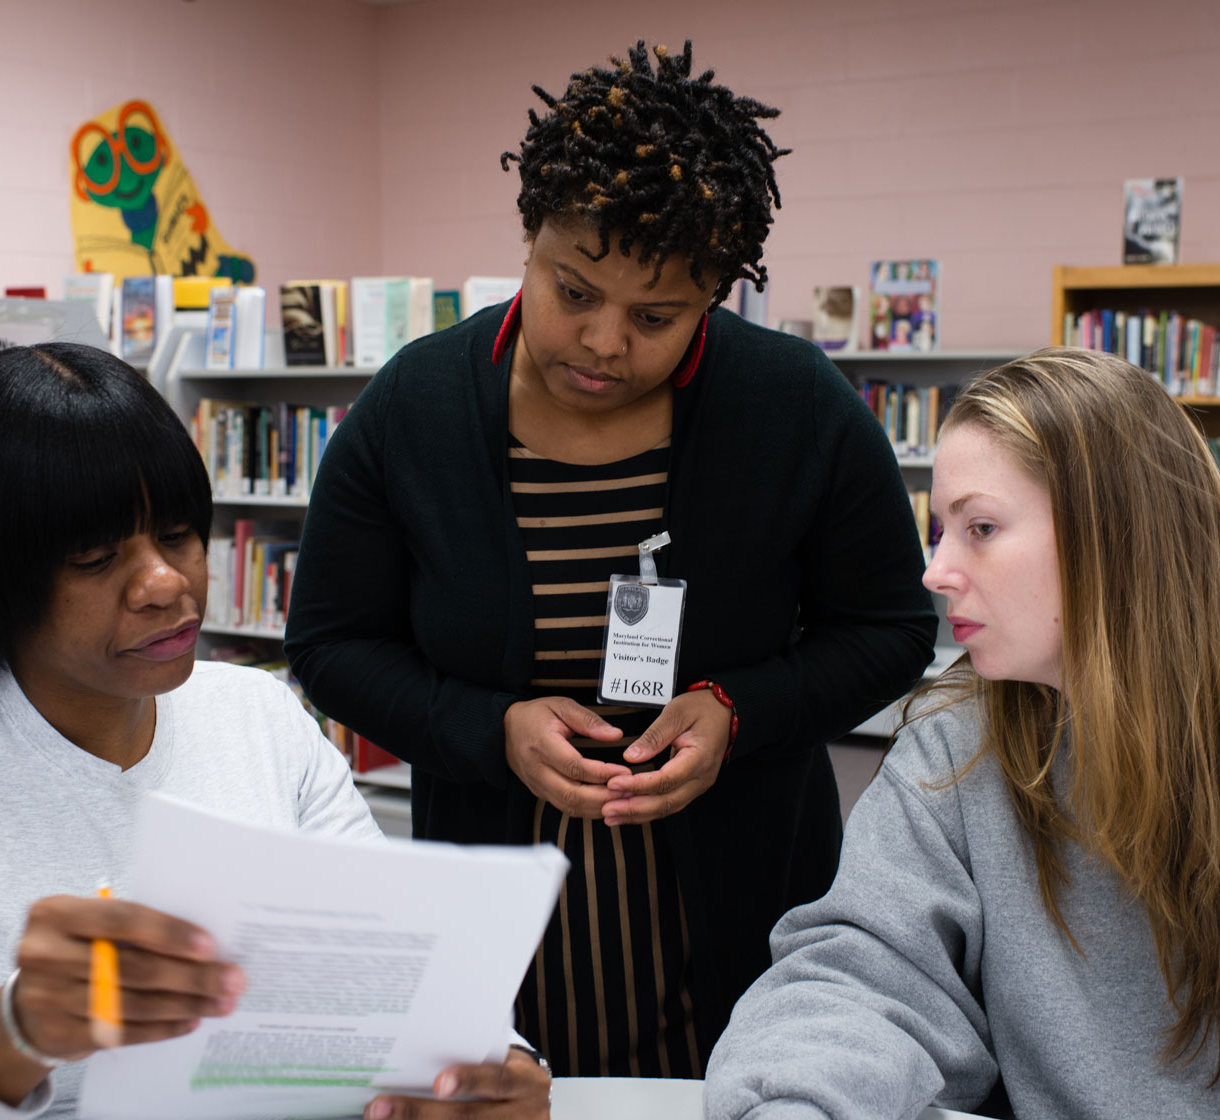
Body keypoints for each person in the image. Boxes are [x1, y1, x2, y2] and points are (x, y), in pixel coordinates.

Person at [284, 41, 936, 1079]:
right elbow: (328, 641)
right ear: (529, 239)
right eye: (572, 289)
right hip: (501, 935)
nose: (601, 341)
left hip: (745, 924)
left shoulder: (797, 406)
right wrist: (488, 726)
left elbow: (892, 629)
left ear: (718, 291)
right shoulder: (413, 409)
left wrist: (737, 708)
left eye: (655, 316)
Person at [0, 343, 548, 1120]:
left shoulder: (257, 715)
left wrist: (489, 1066)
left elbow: (405, 976)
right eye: (93, 556)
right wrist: (11, 1035)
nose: (164, 583)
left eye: (180, 534)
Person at [704, 347, 1220, 1117]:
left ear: (1115, 531)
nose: (935, 572)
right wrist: (795, 1104)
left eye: (980, 527)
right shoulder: (958, 736)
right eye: (941, 530)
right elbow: (860, 972)